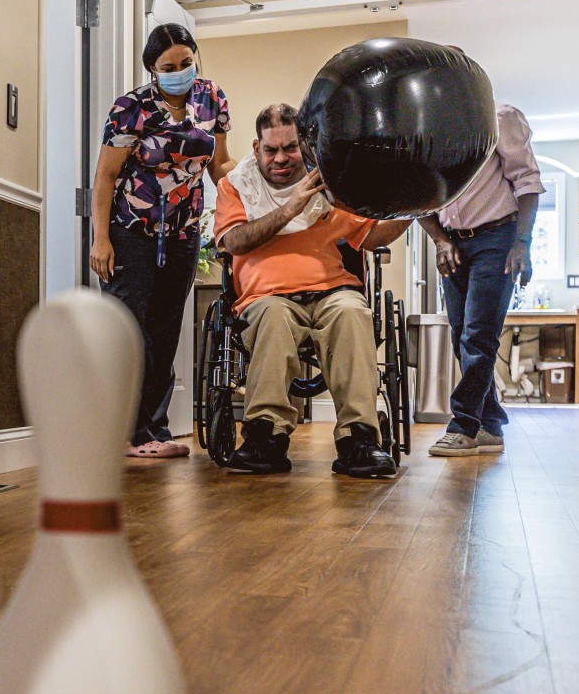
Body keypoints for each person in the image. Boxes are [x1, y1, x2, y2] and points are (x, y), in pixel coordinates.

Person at [213, 104, 408, 478]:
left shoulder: (330, 182)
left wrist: (412, 207)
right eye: (271, 150)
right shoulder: (236, 186)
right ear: (256, 149)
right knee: (272, 318)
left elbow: (372, 236)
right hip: (266, 297)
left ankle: (360, 439)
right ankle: (264, 436)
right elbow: (234, 241)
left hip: (331, 291)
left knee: (352, 312)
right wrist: (290, 208)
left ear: (304, 144)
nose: (282, 158)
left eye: (290, 147)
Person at [90, 23, 234, 459]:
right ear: (151, 68)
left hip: (183, 235)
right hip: (129, 234)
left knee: (165, 332)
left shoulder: (212, 99)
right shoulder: (130, 108)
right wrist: (100, 239)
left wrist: (253, 189)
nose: (179, 72)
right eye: (168, 67)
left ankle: (152, 432)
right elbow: (105, 178)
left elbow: (220, 165)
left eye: (186, 63)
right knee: (127, 332)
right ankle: (120, 431)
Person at [415, 101, 544, 457]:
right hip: (453, 240)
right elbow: (417, 198)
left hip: (497, 238)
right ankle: (490, 422)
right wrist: (440, 240)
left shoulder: (498, 117)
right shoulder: (422, 126)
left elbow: (527, 182)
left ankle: (464, 425)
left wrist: (522, 243)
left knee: (478, 336)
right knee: (461, 337)